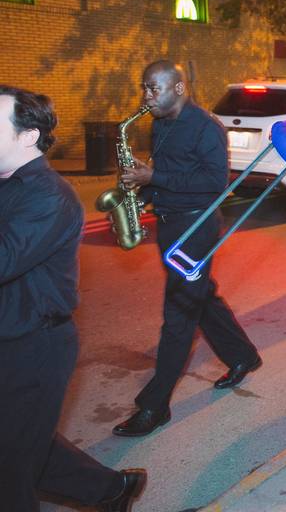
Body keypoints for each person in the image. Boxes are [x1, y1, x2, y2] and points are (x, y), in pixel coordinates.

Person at [0, 85, 146, 511]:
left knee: (9, 471)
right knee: (23, 444)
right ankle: (112, 491)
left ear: (27, 135)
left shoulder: (49, 194)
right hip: (10, 337)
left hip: (33, 347)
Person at [113, 61, 261, 437]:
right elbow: (170, 171)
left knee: (179, 312)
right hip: (170, 223)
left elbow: (215, 183)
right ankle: (243, 355)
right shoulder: (159, 122)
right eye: (144, 88)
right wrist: (142, 191)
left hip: (196, 228)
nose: (146, 97)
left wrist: (154, 177)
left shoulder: (206, 127)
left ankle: (154, 405)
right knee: (200, 297)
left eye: (153, 89)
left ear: (178, 88)